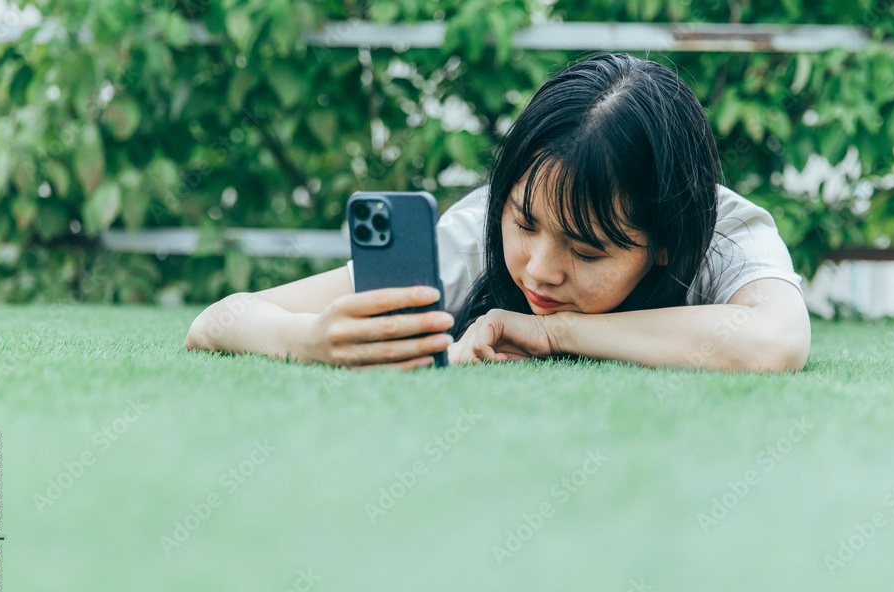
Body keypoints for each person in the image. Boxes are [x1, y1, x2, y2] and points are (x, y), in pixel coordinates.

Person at [185, 53, 810, 372]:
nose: (538, 270)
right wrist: (311, 340)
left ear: (668, 241)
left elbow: (774, 344)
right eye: (523, 222)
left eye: (587, 250)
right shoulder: (475, 232)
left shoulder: (725, 233)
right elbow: (218, 321)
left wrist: (553, 332)